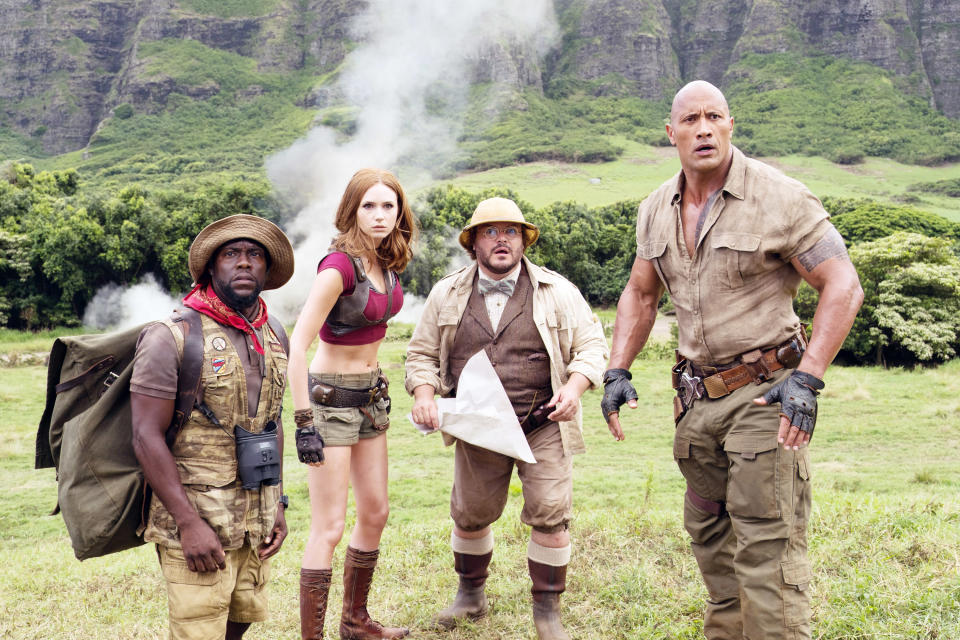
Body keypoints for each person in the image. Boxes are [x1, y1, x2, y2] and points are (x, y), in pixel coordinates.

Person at [602, 80, 864, 639]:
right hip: (696, 402)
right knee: (711, 536)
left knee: (766, 542)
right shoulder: (655, 209)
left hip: (768, 394)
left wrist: (808, 381)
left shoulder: (781, 197)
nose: (703, 128)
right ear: (670, 133)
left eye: (714, 117)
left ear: (730, 124)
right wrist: (617, 368)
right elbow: (641, 293)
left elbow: (842, 284)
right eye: (690, 120)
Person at [405, 197, 608, 640]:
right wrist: (424, 393)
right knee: (471, 513)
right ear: (473, 242)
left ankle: (547, 612)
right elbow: (420, 354)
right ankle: (470, 597)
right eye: (490, 232)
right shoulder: (446, 293)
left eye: (511, 231)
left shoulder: (558, 290)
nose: (502, 240)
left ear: (523, 240)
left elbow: (593, 346)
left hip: (544, 424)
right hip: (478, 426)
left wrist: (574, 389)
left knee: (551, 513)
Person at [131, 214, 295, 640]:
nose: (244, 264)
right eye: (232, 254)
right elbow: (145, 436)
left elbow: (271, 421)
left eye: (255, 255)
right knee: (198, 631)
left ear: (267, 269)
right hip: (197, 517)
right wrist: (187, 524)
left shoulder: (274, 332)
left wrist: (278, 502)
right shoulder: (172, 337)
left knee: (240, 621)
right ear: (211, 267)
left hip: (255, 516)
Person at [287, 168, 416, 640]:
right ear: (352, 211)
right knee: (329, 526)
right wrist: (304, 422)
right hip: (329, 402)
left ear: (400, 211)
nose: (380, 215)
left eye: (388, 206)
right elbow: (296, 346)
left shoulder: (389, 263)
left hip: (370, 400)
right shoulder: (337, 268)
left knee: (376, 511)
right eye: (369, 206)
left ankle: (356, 623)